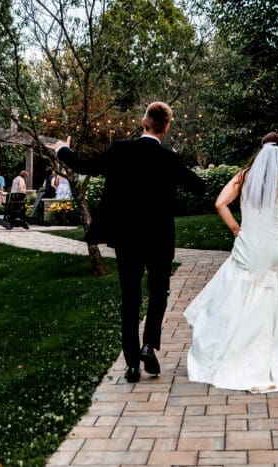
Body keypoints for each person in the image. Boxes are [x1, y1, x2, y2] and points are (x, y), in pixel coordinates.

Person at [48, 102, 205, 384]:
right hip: (159, 239)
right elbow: (198, 186)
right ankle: (149, 346)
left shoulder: (120, 149)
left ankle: (132, 365)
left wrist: (62, 150)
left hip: (127, 239)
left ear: (143, 123)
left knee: (130, 298)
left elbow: (85, 165)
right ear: (166, 128)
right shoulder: (169, 159)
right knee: (159, 293)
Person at [184, 132, 278, 393]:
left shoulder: (243, 178)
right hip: (276, 246)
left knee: (242, 293)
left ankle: (240, 350)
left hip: (249, 245)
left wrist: (236, 229)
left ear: (261, 152)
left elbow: (220, 203)